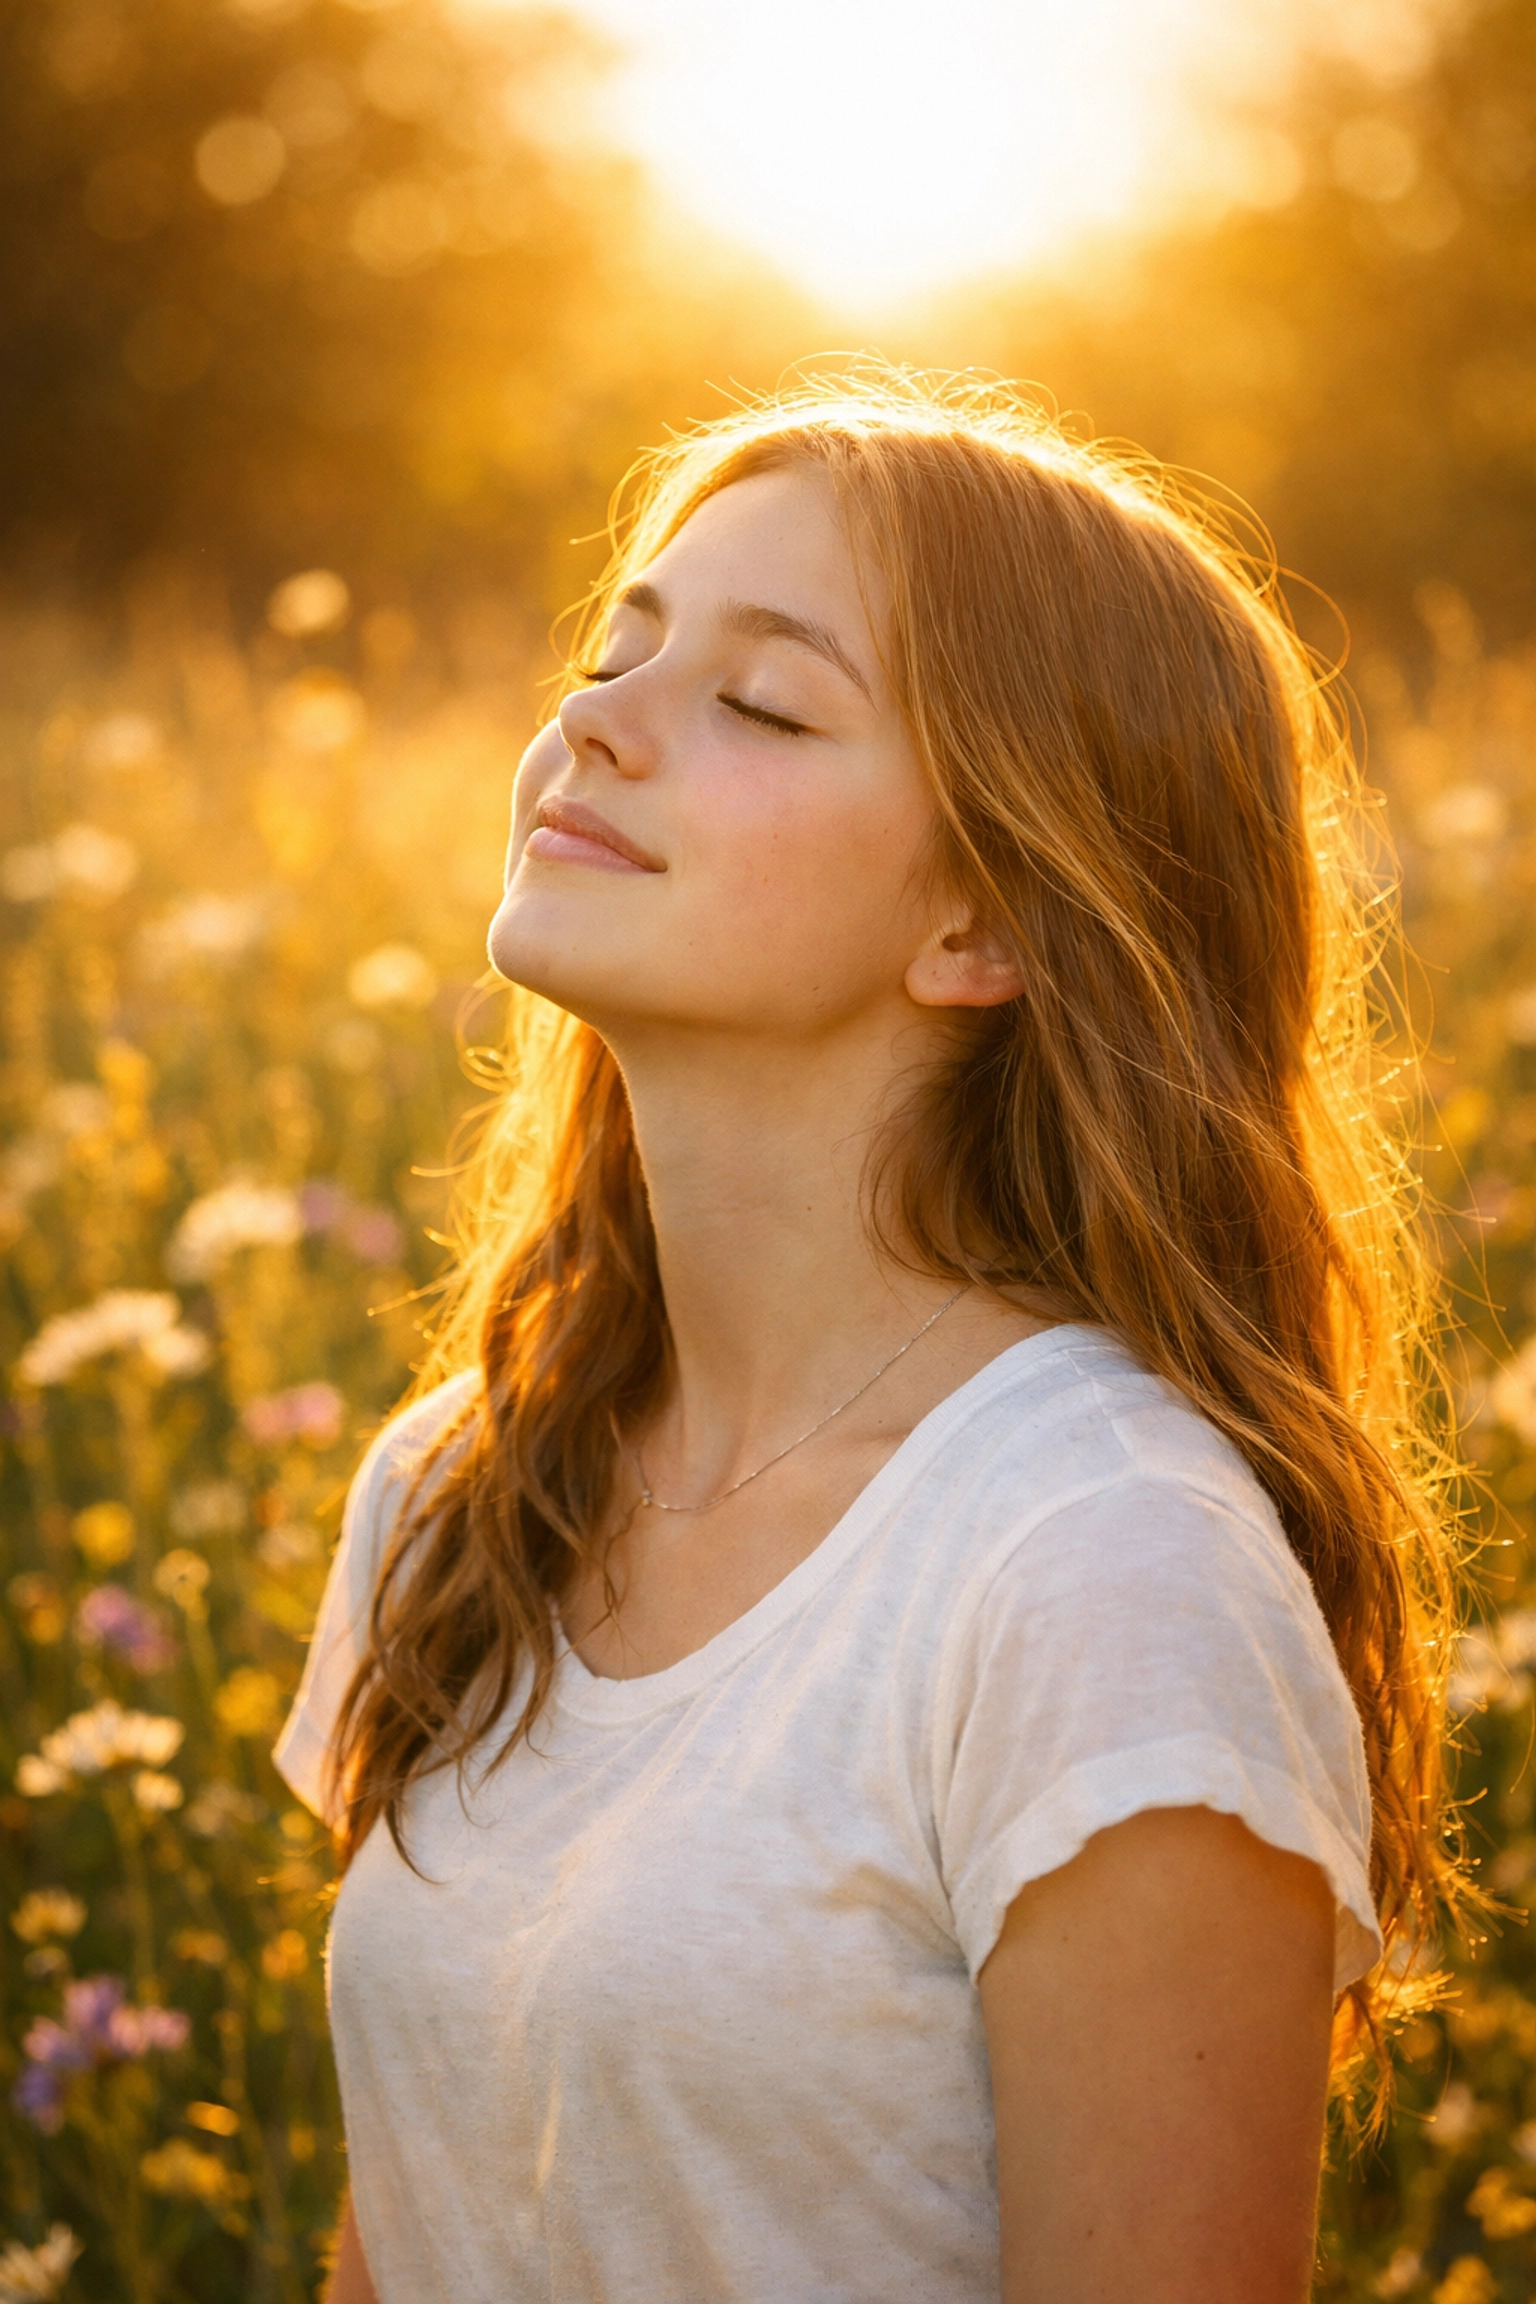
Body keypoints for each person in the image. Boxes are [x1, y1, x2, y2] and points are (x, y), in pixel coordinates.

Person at [275, 370, 1464, 2304]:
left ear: (981, 926)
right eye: (615, 647)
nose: (593, 718)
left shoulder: (1096, 1566)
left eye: (759, 700)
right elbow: (401, 2240)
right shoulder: (456, 1484)